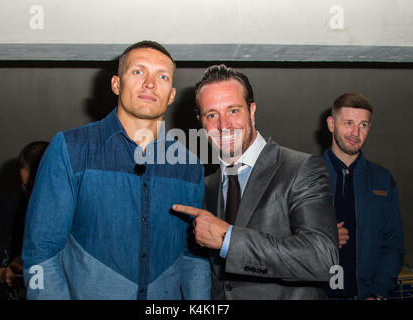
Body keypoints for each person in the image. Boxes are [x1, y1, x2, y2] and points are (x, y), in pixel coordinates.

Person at [21, 41, 211, 300]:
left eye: (162, 76)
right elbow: (41, 252)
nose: (150, 83)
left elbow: (193, 259)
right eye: (138, 72)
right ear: (116, 84)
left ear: (171, 95)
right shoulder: (70, 148)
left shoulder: (190, 166)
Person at [173, 64, 339, 299]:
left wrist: (227, 238)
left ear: (251, 111)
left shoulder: (301, 168)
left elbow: (323, 259)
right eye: (212, 115)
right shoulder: (206, 184)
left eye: (233, 111)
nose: (223, 125)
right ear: (201, 121)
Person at [323, 93, 404, 300]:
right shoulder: (303, 175)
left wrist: (378, 293)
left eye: (363, 125)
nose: (355, 133)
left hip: (364, 294)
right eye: (348, 123)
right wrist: (323, 235)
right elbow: (282, 240)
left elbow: (393, 244)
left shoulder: (383, 181)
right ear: (331, 124)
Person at [0, 141, 49, 300]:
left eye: (39, 187)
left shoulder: (77, 212)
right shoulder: (1, 208)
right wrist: (3, 274)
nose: (32, 195)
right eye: (26, 187)